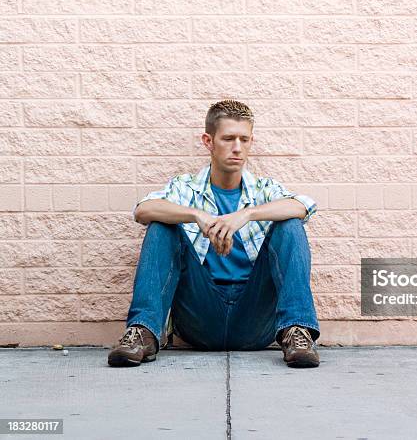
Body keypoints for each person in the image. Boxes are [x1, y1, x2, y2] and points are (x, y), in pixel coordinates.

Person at [107, 100, 321, 368]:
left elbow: (304, 205)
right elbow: (143, 210)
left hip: (254, 318)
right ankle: (143, 333)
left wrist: (247, 214)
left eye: (244, 139)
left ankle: (297, 332)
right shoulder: (186, 189)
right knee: (161, 225)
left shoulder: (264, 190)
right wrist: (196, 215)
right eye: (228, 138)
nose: (237, 148)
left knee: (289, 224)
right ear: (208, 141)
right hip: (201, 315)